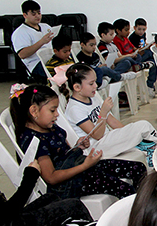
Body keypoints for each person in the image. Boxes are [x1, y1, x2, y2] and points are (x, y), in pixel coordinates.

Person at [11, 84, 147, 200]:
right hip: (69, 182)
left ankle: (146, 204)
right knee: (125, 189)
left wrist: (78, 145)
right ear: (34, 111)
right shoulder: (34, 140)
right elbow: (51, 177)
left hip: (79, 166)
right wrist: (85, 165)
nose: (57, 114)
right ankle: (138, 218)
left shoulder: (48, 126)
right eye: (52, 110)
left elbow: (63, 152)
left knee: (138, 168)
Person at [62, 63, 157, 163]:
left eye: (95, 81)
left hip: (108, 139)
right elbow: (97, 135)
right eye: (91, 84)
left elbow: (113, 122)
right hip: (95, 148)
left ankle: (156, 151)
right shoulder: (74, 109)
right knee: (143, 126)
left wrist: (128, 132)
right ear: (77, 87)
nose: (96, 86)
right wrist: (103, 113)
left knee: (141, 131)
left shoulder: (93, 98)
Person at [11, 0, 54, 84]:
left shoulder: (46, 27)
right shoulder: (20, 32)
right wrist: (41, 42)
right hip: (36, 63)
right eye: (33, 14)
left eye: (39, 13)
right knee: (59, 70)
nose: (37, 16)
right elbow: (22, 55)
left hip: (51, 58)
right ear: (25, 15)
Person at [112, 18, 157, 96]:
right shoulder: (117, 41)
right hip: (130, 59)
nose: (128, 32)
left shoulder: (125, 38)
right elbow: (121, 55)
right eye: (126, 30)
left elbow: (134, 48)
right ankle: (138, 65)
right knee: (149, 53)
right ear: (118, 31)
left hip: (136, 56)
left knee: (154, 62)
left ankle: (150, 85)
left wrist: (142, 49)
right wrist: (135, 53)